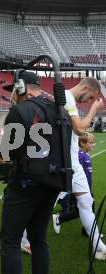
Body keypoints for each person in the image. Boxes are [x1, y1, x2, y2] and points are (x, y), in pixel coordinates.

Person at [0, 71, 72, 274]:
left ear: (21, 87)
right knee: (39, 238)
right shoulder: (61, 111)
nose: (12, 95)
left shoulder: (20, 110)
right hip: (52, 184)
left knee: (10, 242)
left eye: (14, 90)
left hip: (25, 185)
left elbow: (4, 155)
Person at [52, 78, 106, 259]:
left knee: (86, 202)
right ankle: (24, 238)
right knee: (43, 204)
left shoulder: (69, 99)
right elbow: (78, 128)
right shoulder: (66, 96)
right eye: (90, 96)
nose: (88, 100)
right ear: (85, 87)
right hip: (62, 163)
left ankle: (98, 245)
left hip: (72, 161)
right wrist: (93, 110)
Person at [53, 133, 96, 236]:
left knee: (79, 211)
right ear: (82, 143)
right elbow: (74, 173)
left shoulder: (86, 155)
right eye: (91, 142)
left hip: (86, 188)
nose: (93, 144)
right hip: (79, 189)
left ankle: (60, 218)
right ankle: (87, 231)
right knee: (88, 208)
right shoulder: (80, 156)